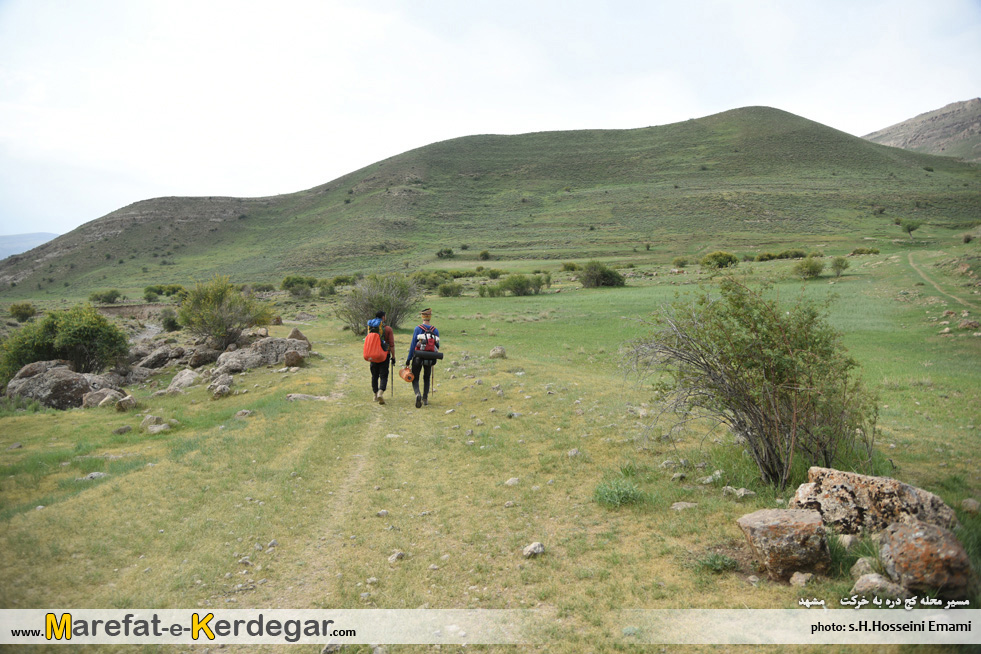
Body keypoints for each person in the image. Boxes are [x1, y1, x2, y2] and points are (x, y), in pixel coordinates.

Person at [405, 307, 440, 408]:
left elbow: (413, 345)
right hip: (429, 358)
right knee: (427, 377)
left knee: (415, 377)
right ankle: (425, 398)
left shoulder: (417, 329)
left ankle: (417, 394)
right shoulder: (435, 330)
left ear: (422, 317)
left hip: (417, 357)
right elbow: (437, 346)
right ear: (430, 317)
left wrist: (408, 359)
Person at [369, 310, 395, 405]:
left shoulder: (371, 328)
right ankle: (381, 392)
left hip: (373, 355)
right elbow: (391, 344)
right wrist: (394, 357)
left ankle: (375, 395)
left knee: (374, 375)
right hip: (384, 355)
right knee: (383, 375)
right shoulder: (388, 329)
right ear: (383, 317)